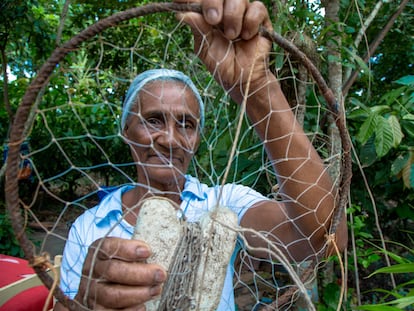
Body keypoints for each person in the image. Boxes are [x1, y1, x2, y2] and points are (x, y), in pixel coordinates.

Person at [55, 0, 348, 310]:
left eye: (187, 125)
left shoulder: (223, 205)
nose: (169, 139)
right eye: (153, 120)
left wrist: (258, 86)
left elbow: (325, 239)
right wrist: (88, 302)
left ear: (196, 140)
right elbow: (63, 303)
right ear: (126, 131)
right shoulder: (91, 226)